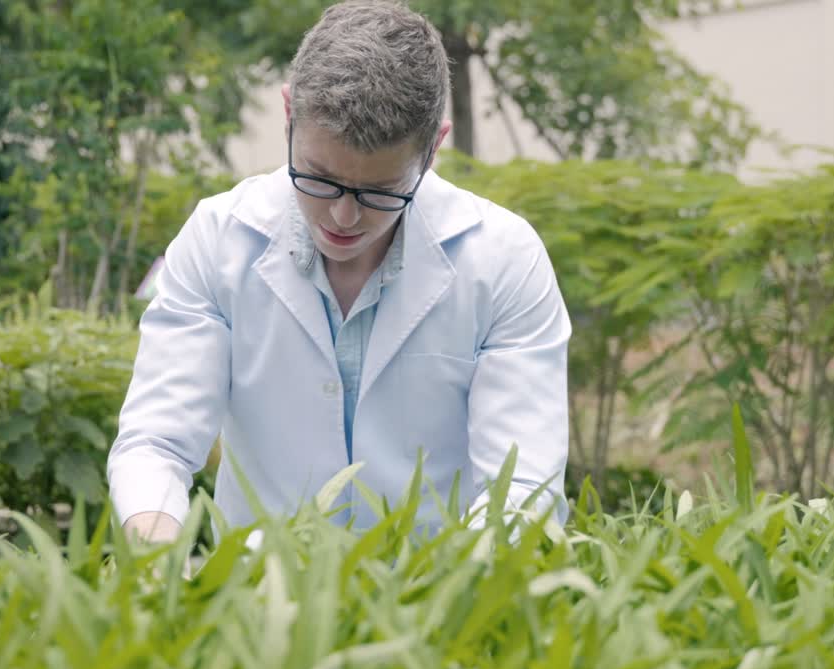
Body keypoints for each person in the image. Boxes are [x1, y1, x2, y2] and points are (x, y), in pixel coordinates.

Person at [108, 0, 571, 546]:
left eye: (380, 191)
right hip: (258, 600)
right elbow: (156, 444)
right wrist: (159, 550)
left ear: (433, 148)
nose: (343, 217)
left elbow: (522, 489)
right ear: (288, 115)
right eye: (319, 178)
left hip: (443, 598)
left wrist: (457, 596)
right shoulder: (217, 241)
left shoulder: (503, 260)